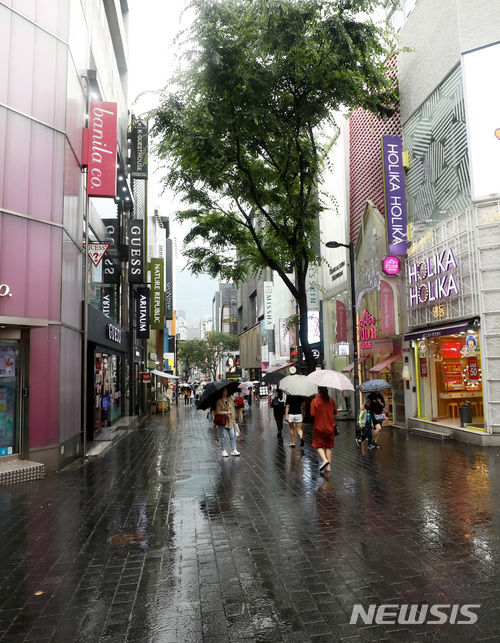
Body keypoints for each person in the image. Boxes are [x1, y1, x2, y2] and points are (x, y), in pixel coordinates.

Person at [310, 386, 337, 471]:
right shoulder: (331, 400)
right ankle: (328, 467)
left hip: (319, 427)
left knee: (318, 445)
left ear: (318, 390)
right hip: (330, 427)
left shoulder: (315, 401)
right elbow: (335, 412)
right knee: (328, 446)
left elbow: (312, 414)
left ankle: (325, 460)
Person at [215, 388, 240, 457]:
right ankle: (223, 450)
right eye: (224, 390)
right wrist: (225, 412)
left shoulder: (230, 400)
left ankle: (234, 449)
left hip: (230, 420)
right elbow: (217, 412)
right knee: (223, 436)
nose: (226, 392)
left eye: (226, 390)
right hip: (223, 421)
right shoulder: (219, 401)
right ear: (221, 392)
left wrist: (234, 418)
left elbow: (233, 409)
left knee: (232, 435)